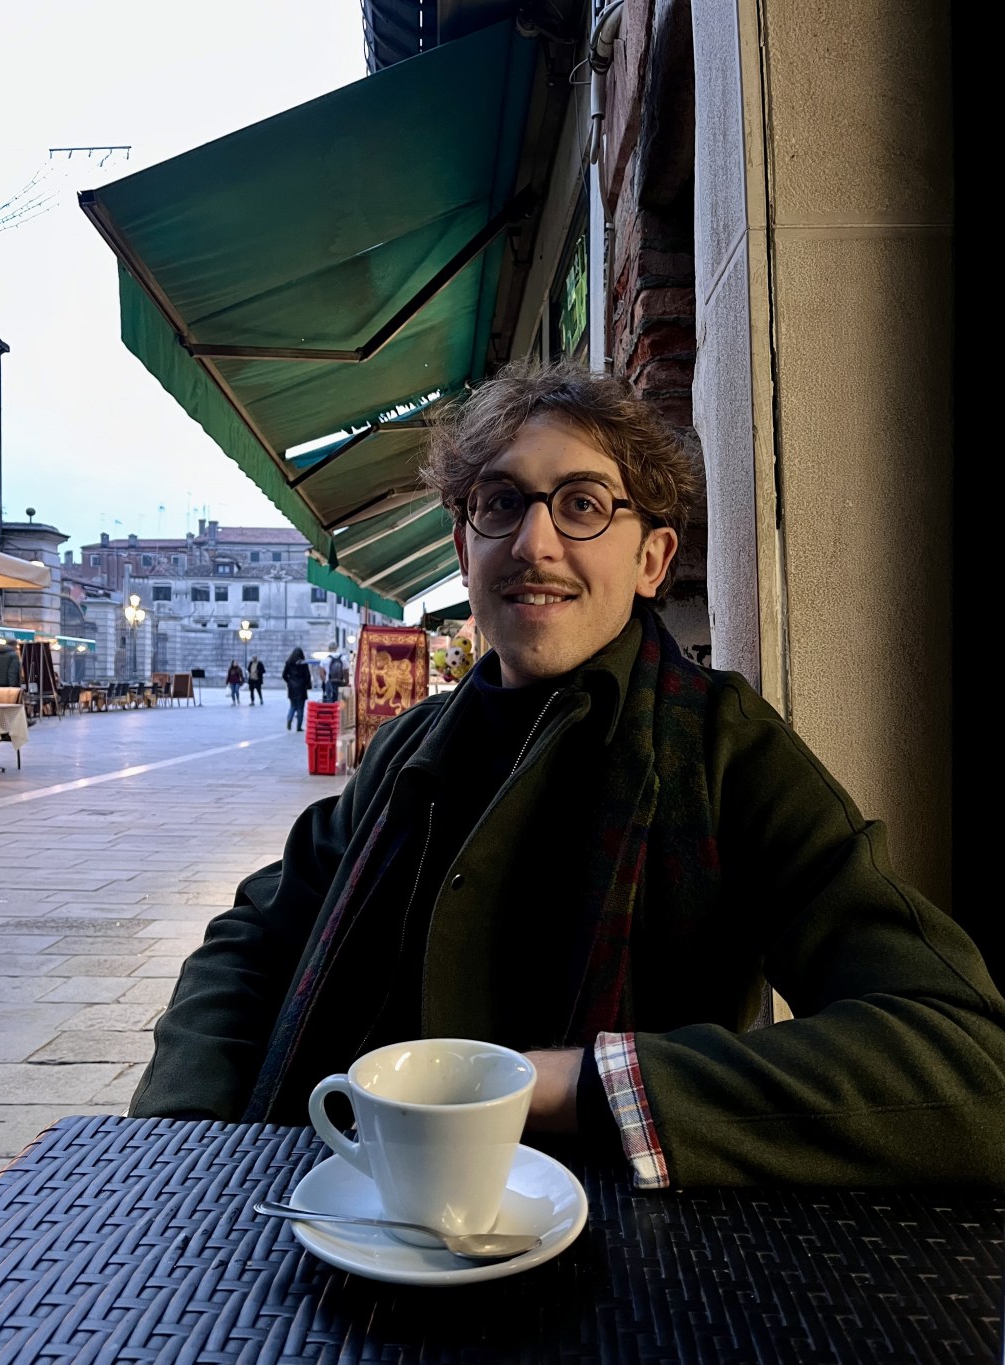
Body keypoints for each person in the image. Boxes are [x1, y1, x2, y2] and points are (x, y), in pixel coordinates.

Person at [129, 358, 1005, 1190]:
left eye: (582, 503)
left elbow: (966, 1060)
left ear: (653, 559)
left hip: (611, 1261)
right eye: (500, 502)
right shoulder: (413, 747)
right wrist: (184, 1138)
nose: (534, 543)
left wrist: (577, 1085)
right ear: (465, 546)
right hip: (340, 1220)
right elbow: (254, 937)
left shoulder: (722, 750)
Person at [281, 646, 313, 731]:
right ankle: (298, 726)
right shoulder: (303, 663)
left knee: (292, 706)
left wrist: (289, 681)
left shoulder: (288, 662)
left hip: (292, 687)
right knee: (300, 708)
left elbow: (284, 675)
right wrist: (308, 685)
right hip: (301, 687)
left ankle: (289, 719)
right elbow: (307, 676)